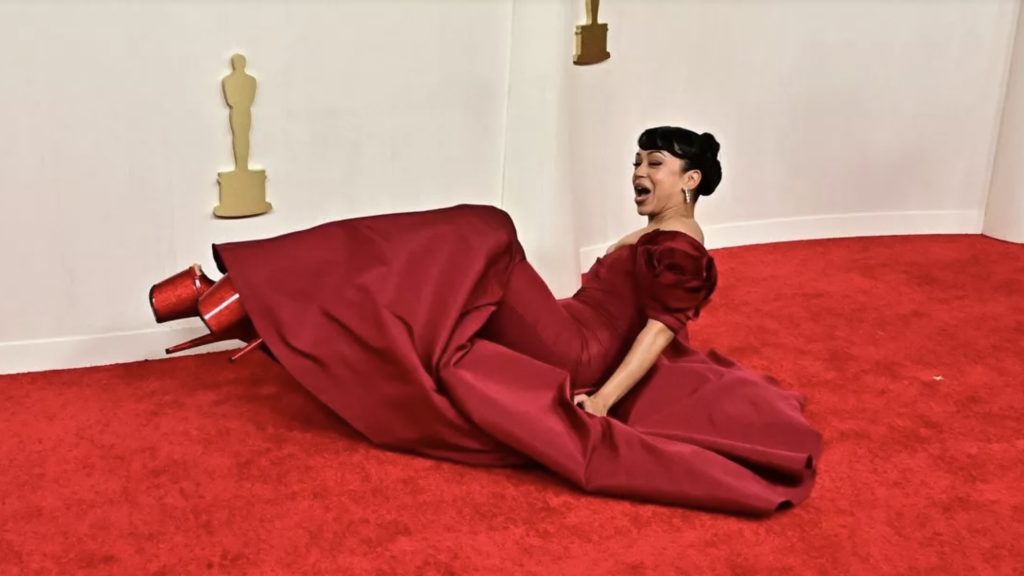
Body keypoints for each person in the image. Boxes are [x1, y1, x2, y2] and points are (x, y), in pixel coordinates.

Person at [148, 126, 822, 515]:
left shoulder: (679, 246)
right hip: (567, 322)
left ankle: (251, 291)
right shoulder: (659, 234)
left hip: (579, 351)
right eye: (637, 162)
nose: (639, 173)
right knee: (449, 269)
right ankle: (260, 295)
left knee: (486, 230)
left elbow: (660, 330)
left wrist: (603, 400)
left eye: (656, 164)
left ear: (692, 180)